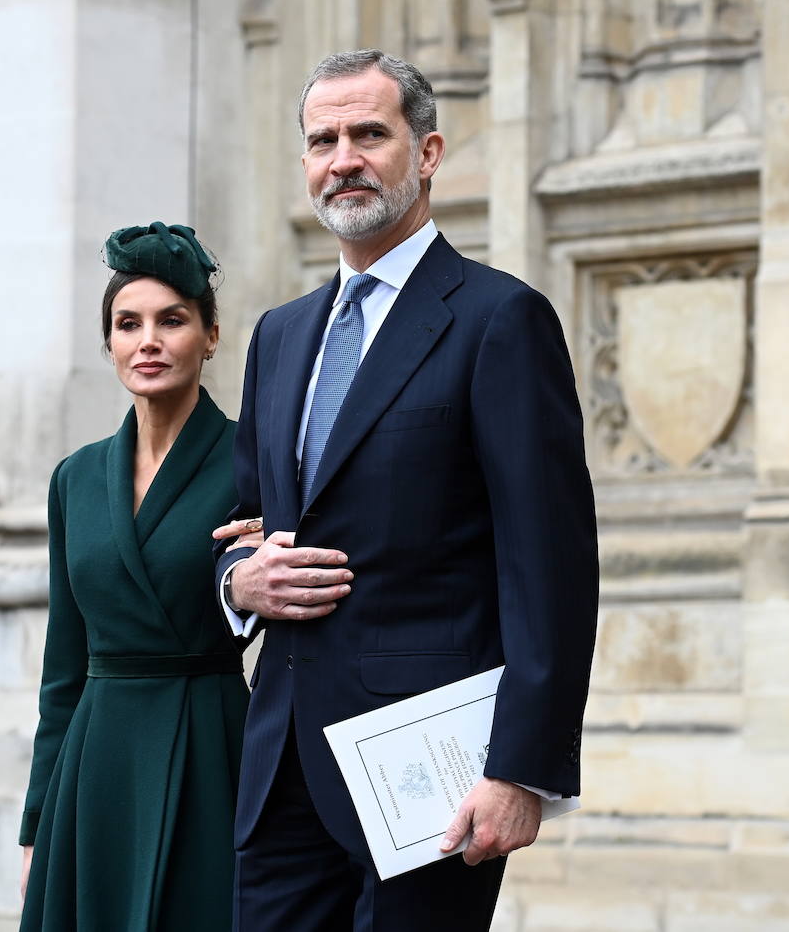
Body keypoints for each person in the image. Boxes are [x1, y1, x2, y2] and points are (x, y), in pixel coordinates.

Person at [213, 50, 600, 931]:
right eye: (322, 139)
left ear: (426, 154)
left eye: (368, 134)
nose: (342, 158)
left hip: (430, 771)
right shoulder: (279, 337)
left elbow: (551, 565)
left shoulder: (500, 319)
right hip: (280, 765)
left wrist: (521, 769)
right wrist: (239, 587)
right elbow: (242, 527)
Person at [19, 222, 252, 932]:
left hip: (210, 745)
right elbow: (63, 665)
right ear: (111, 343)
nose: (147, 340)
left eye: (171, 320)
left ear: (209, 336)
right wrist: (36, 825)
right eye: (128, 324)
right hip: (96, 763)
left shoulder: (254, 458)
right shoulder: (76, 477)